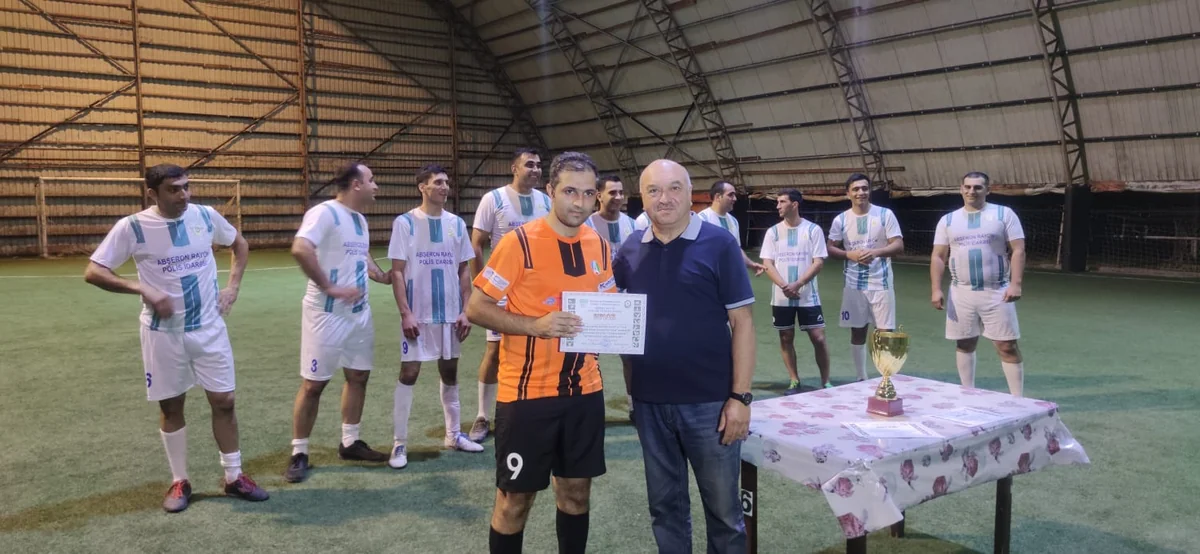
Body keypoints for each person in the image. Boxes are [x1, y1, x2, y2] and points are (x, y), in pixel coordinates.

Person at [84, 163, 267, 512]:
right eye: (174, 189)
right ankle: (180, 480)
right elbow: (94, 271)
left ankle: (234, 476)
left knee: (225, 400)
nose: (184, 195)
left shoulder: (205, 216)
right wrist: (142, 288)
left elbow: (239, 244)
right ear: (152, 193)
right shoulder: (133, 226)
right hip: (162, 334)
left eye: (186, 186)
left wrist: (233, 287)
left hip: (209, 327)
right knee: (171, 406)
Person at [465, 152, 613, 554]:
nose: (579, 203)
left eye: (588, 193)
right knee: (514, 502)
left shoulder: (599, 244)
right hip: (527, 395)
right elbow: (476, 307)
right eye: (570, 192)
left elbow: (607, 304)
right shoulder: (519, 243)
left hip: (584, 392)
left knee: (576, 494)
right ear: (550, 191)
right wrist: (535, 326)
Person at [613, 159, 756, 553]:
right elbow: (610, 309)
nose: (665, 198)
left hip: (710, 404)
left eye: (675, 188)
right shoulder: (630, 249)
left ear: (691, 194)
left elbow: (743, 323)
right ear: (642, 198)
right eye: (654, 190)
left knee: (724, 516)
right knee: (665, 510)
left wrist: (740, 397)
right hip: (649, 403)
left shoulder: (720, 244)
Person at [284, 162, 392, 483]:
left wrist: (380, 276)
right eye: (372, 180)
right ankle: (299, 452)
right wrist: (329, 287)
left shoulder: (359, 219)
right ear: (356, 184)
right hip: (326, 314)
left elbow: (362, 255)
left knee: (358, 376)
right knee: (313, 384)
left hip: (359, 314)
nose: (376, 186)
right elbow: (300, 248)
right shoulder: (324, 213)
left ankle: (350, 442)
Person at [386, 164, 485, 469]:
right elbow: (398, 272)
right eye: (438, 182)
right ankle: (399, 444)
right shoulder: (405, 223)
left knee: (450, 372)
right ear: (422, 187)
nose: (445, 187)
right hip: (418, 316)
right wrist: (406, 314)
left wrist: (466, 311)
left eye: (446, 182)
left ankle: (453, 435)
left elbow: (463, 271)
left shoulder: (456, 223)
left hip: (450, 316)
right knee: (409, 373)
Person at [468, 147, 552, 442]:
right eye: (529, 164)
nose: (536, 169)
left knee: (537, 349)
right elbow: (476, 244)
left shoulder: (545, 201)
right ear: (514, 168)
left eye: (539, 165)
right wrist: (481, 285)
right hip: (501, 291)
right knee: (494, 352)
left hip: (536, 291)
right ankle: (482, 416)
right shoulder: (493, 199)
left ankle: (530, 410)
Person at [931, 171, 1027, 396]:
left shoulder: (1004, 214)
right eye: (967, 187)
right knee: (964, 343)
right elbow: (938, 256)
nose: (971, 191)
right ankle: (968, 394)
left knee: (1007, 345)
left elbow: (1018, 250)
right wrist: (936, 289)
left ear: (988, 190)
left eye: (977, 187)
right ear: (961, 189)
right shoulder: (948, 220)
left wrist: (1016, 283)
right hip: (961, 291)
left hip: (997, 290)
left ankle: (1018, 399)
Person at [826, 173, 904, 382]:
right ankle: (861, 377)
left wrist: (876, 252)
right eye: (856, 189)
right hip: (854, 284)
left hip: (882, 283)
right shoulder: (841, 220)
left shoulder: (885, 214)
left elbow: (898, 245)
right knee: (858, 331)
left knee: (885, 331)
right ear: (848, 193)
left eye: (864, 188)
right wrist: (848, 255)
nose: (861, 192)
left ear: (869, 191)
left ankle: (886, 379)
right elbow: (830, 248)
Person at [759, 189, 830, 393]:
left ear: (795, 204)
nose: (778, 206)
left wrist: (797, 284)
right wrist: (784, 286)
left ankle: (825, 382)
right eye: (777, 202)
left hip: (808, 295)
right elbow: (767, 263)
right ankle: (794, 380)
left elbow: (818, 262)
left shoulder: (813, 230)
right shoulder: (772, 232)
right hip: (781, 298)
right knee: (786, 337)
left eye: (782, 202)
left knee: (818, 338)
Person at [583, 175, 638, 420]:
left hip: (625, 301)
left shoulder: (633, 225)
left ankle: (634, 405)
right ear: (599, 196)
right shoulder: (586, 224)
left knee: (631, 358)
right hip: (593, 301)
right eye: (612, 192)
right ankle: (586, 407)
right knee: (587, 357)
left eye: (620, 192)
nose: (618, 197)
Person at [696, 180, 765, 275]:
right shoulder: (702, 219)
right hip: (708, 274)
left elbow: (736, 248)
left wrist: (751, 264)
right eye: (730, 195)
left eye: (734, 195)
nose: (735, 199)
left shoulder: (733, 221)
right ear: (718, 197)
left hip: (728, 274)